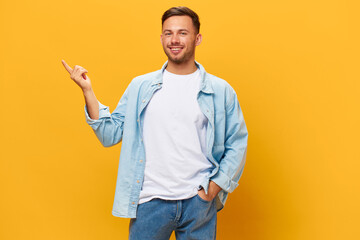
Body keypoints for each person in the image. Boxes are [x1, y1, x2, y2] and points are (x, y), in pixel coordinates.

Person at [62, 6, 248, 240]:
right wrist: (88, 91)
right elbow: (110, 133)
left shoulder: (220, 90)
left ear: (197, 38)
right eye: (168, 33)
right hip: (150, 201)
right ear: (161, 38)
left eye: (182, 33)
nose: (174, 40)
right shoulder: (141, 86)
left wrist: (212, 189)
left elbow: (237, 143)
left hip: (198, 202)